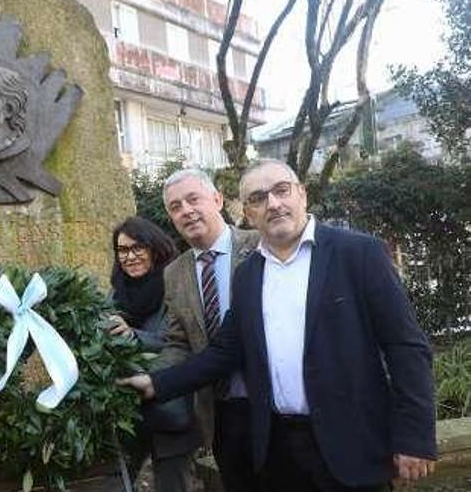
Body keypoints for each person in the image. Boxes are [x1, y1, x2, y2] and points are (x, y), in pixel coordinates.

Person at [120, 160, 437, 491]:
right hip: (278, 451)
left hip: (352, 445)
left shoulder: (358, 254)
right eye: (257, 198)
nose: (273, 203)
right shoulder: (249, 274)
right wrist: (154, 383)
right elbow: (224, 350)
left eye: (281, 190)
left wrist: (415, 436)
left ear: (302, 194)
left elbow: (406, 347)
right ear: (247, 212)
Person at [158, 168, 260, 492]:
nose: (186, 210)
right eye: (176, 206)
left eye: (193, 199)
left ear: (217, 199)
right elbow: (178, 341)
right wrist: (151, 378)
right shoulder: (174, 273)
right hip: (219, 415)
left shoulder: (261, 246)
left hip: (275, 407)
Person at [108, 216, 200, 492]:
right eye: (122, 250)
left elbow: (181, 342)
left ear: (154, 248)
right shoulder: (116, 292)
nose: (130, 256)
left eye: (138, 248)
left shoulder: (177, 285)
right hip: (129, 413)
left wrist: (132, 337)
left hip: (170, 407)